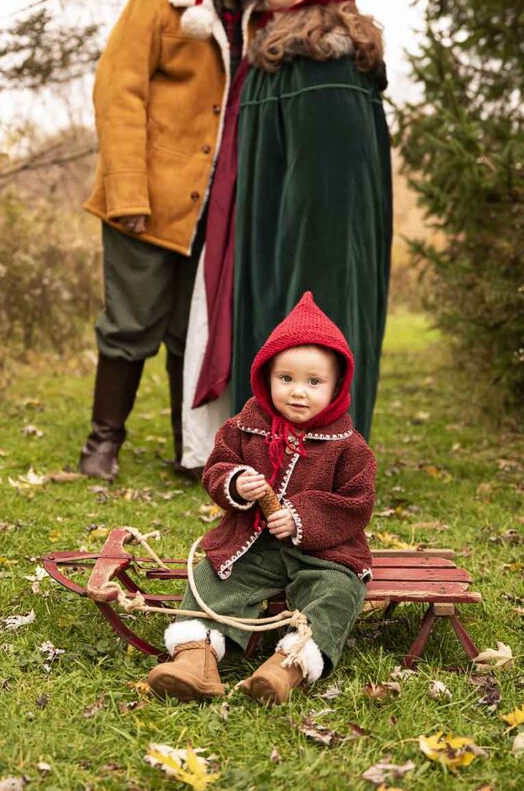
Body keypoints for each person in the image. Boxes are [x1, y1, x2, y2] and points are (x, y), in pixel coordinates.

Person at [79, 0, 289, 481]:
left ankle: (188, 450)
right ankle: (102, 447)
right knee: (130, 322)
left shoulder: (261, 16)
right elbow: (117, 93)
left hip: (218, 210)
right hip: (147, 197)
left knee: (186, 332)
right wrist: (126, 193)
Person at [183, 0, 391, 464]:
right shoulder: (283, 55)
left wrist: (303, 266)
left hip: (312, 242)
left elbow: (329, 185)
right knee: (273, 329)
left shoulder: (328, 65)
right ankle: (270, 457)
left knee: (319, 329)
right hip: (271, 228)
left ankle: (324, 465)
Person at [145, 291, 376, 705]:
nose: (297, 392)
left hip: (326, 552)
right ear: (266, 377)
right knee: (212, 576)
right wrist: (234, 483)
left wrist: (301, 517)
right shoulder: (245, 426)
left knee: (337, 593)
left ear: (338, 385)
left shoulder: (349, 446)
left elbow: (357, 503)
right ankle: (195, 659)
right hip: (253, 545)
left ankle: (288, 667)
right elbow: (217, 466)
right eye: (285, 379)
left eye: (314, 382)